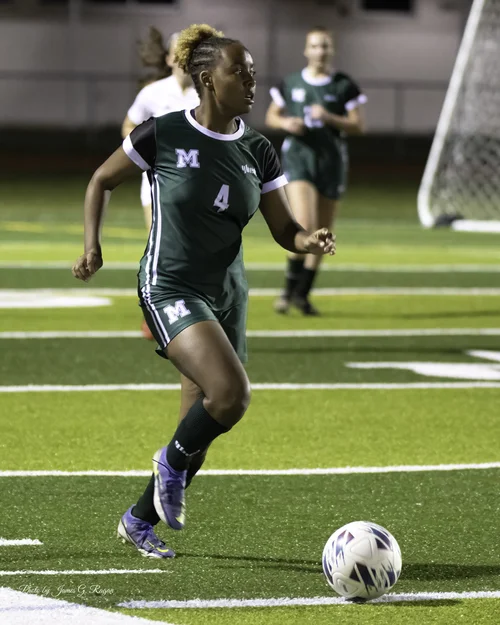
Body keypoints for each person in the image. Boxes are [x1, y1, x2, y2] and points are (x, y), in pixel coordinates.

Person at [72, 23, 335, 559]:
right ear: (209, 79)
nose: (251, 81)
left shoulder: (258, 149)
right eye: (240, 72)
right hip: (169, 283)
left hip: (226, 294)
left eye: (253, 72)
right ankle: (168, 463)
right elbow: (101, 179)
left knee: (202, 425)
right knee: (231, 395)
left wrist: (308, 239)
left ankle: (138, 520)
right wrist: (92, 247)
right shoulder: (163, 132)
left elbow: (284, 229)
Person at [265, 26, 366, 316]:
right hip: (300, 159)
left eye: (325, 46)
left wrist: (330, 117)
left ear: (331, 50)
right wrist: (286, 123)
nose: (320, 51)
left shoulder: (343, 85)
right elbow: (271, 116)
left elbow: (358, 125)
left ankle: (302, 294)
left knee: (324, 233)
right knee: (305, 224)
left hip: (331, 162)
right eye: (315, 46)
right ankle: (288, 291)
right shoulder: (292, 83)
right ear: (306, 50)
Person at [122, 28, 199, 340]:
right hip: (157, 186)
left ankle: (189, 314)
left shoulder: (207, 93)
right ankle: (155, 314)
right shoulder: (153, 93)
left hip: (197, 187)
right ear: (168, 59)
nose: (184, 58)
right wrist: (143, 149)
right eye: (179, 51)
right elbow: (129, 124)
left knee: (192, 253)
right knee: (162, 251)